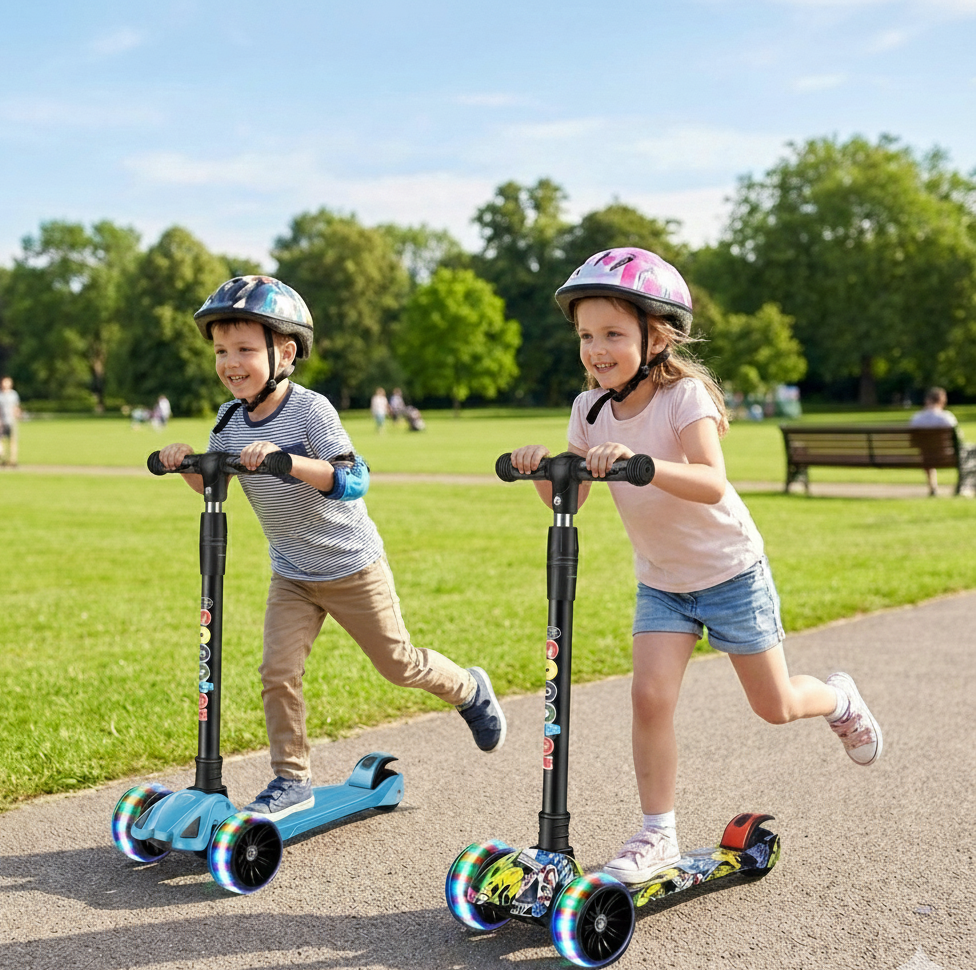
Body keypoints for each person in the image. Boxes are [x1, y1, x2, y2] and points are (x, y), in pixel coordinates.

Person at [510, 248, 883, 885]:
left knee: (775, 704)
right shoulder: (588, 409)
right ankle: (658, 833)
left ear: (656, 337)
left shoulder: (684, 397)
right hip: (663, 582)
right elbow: (570, 496)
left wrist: (643, 464)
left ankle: (839, 698)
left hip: (731, 572)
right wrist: (543, 469)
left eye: (612, 334)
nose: (596, 350)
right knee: (649, 698)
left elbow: (712, 481)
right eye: (586, 336)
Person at [158, 276, 506, 821]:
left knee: (398, 664)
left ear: (285, 353)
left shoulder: (311, 411)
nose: (230, 362)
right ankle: (291, 779)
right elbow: (213, 484)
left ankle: (468, 688)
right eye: (221, 351)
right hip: (292, 574)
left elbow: (353, 479)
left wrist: (287, 461)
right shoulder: (227, 422)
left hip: (351, 567)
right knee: (276, 671)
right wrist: (186, 462)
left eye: (244, 349)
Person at [909, 387, 957, 496]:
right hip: (946, 454)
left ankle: (932, 486)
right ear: (942, 401)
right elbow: (957, 437)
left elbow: (914, 440)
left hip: (925, 455)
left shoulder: (917, 418)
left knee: (927, 454)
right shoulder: (946, 417)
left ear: (927, 400)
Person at [0, 376, 20, 466]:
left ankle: (12, 460)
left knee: (12, 441)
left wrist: (17, 416)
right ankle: (2, 459)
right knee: (0, 441)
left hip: (11, 421)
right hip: (0, 422)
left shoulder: (13, 394)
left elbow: (16, 407)